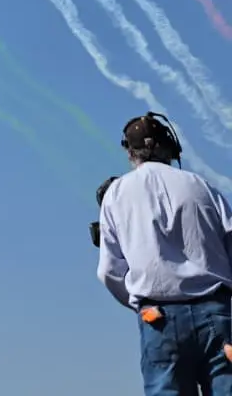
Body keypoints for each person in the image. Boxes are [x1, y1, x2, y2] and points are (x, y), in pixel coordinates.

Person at [97, 111, 232, 396]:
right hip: (217, 312)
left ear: (130, 151)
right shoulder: (203, 186)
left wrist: (142, 304)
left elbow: (108, 271)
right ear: (168, 146)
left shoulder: (116, 194)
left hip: (157, 317)